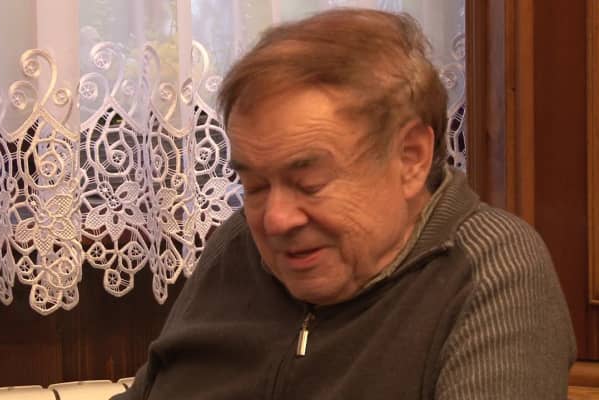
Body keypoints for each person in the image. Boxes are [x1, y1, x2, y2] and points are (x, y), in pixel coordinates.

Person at [115, 8, 576, 399]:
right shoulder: (237, 243)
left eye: (309, 183)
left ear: (411, 158)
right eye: (254, 186)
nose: (275, 220)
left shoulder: (491, 269)